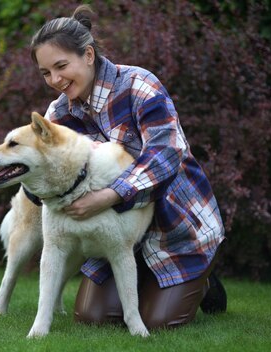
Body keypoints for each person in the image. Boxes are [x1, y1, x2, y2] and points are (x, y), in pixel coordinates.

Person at [29, 4, 226, 330]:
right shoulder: (59, 115)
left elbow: (165, 155)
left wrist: (110, 195)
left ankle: (203, 280)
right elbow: (42, 170)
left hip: (175, 228)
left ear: (88, 56)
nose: (55, 80)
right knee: (92, 317)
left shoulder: (139, 85)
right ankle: (147, 278)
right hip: (114, 237)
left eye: (61, 66)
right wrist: (30, 180)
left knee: (157, 321)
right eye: (46, 72)